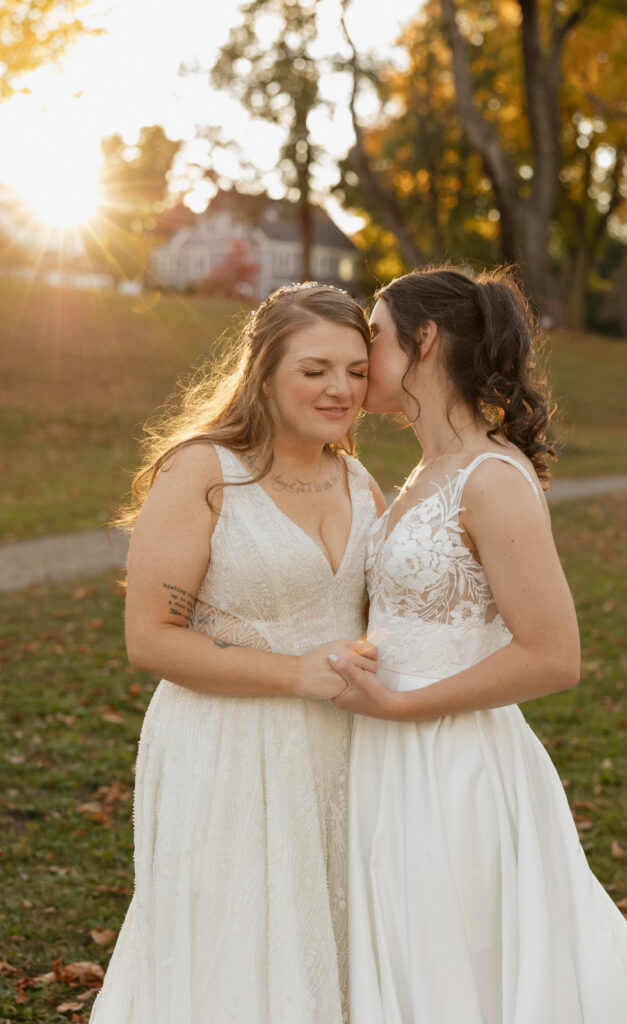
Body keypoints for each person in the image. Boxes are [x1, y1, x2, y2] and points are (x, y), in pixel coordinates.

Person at [328, 268, 627, 1023]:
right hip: (383, 755)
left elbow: (554, 656)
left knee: (454, 967)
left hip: (452, 761)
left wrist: (404, 705)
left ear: (422, 342)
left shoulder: (490, 478)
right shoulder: (423, 472)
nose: (362, 352)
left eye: (375, 332)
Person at [89, 282, 385, 1024]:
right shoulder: (202, 472)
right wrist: (292, 671)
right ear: (264, 370)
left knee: (328, 941)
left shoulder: (359, 481)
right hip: (225, 746)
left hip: (341, 747)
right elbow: (151, 636)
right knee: (234, 944)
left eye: (355, 369)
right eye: (314, 369)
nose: (339, 388)